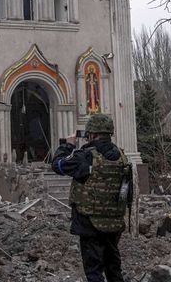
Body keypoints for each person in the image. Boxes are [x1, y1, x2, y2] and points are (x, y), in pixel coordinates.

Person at [51, 113, 134, 282]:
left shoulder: (85, 156)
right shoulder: (121, 157)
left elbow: (57, 165)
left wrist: (67, 146)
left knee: (94, 270)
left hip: (90, 221)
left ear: (92, 134)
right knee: (113, 267)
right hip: (114, 222)